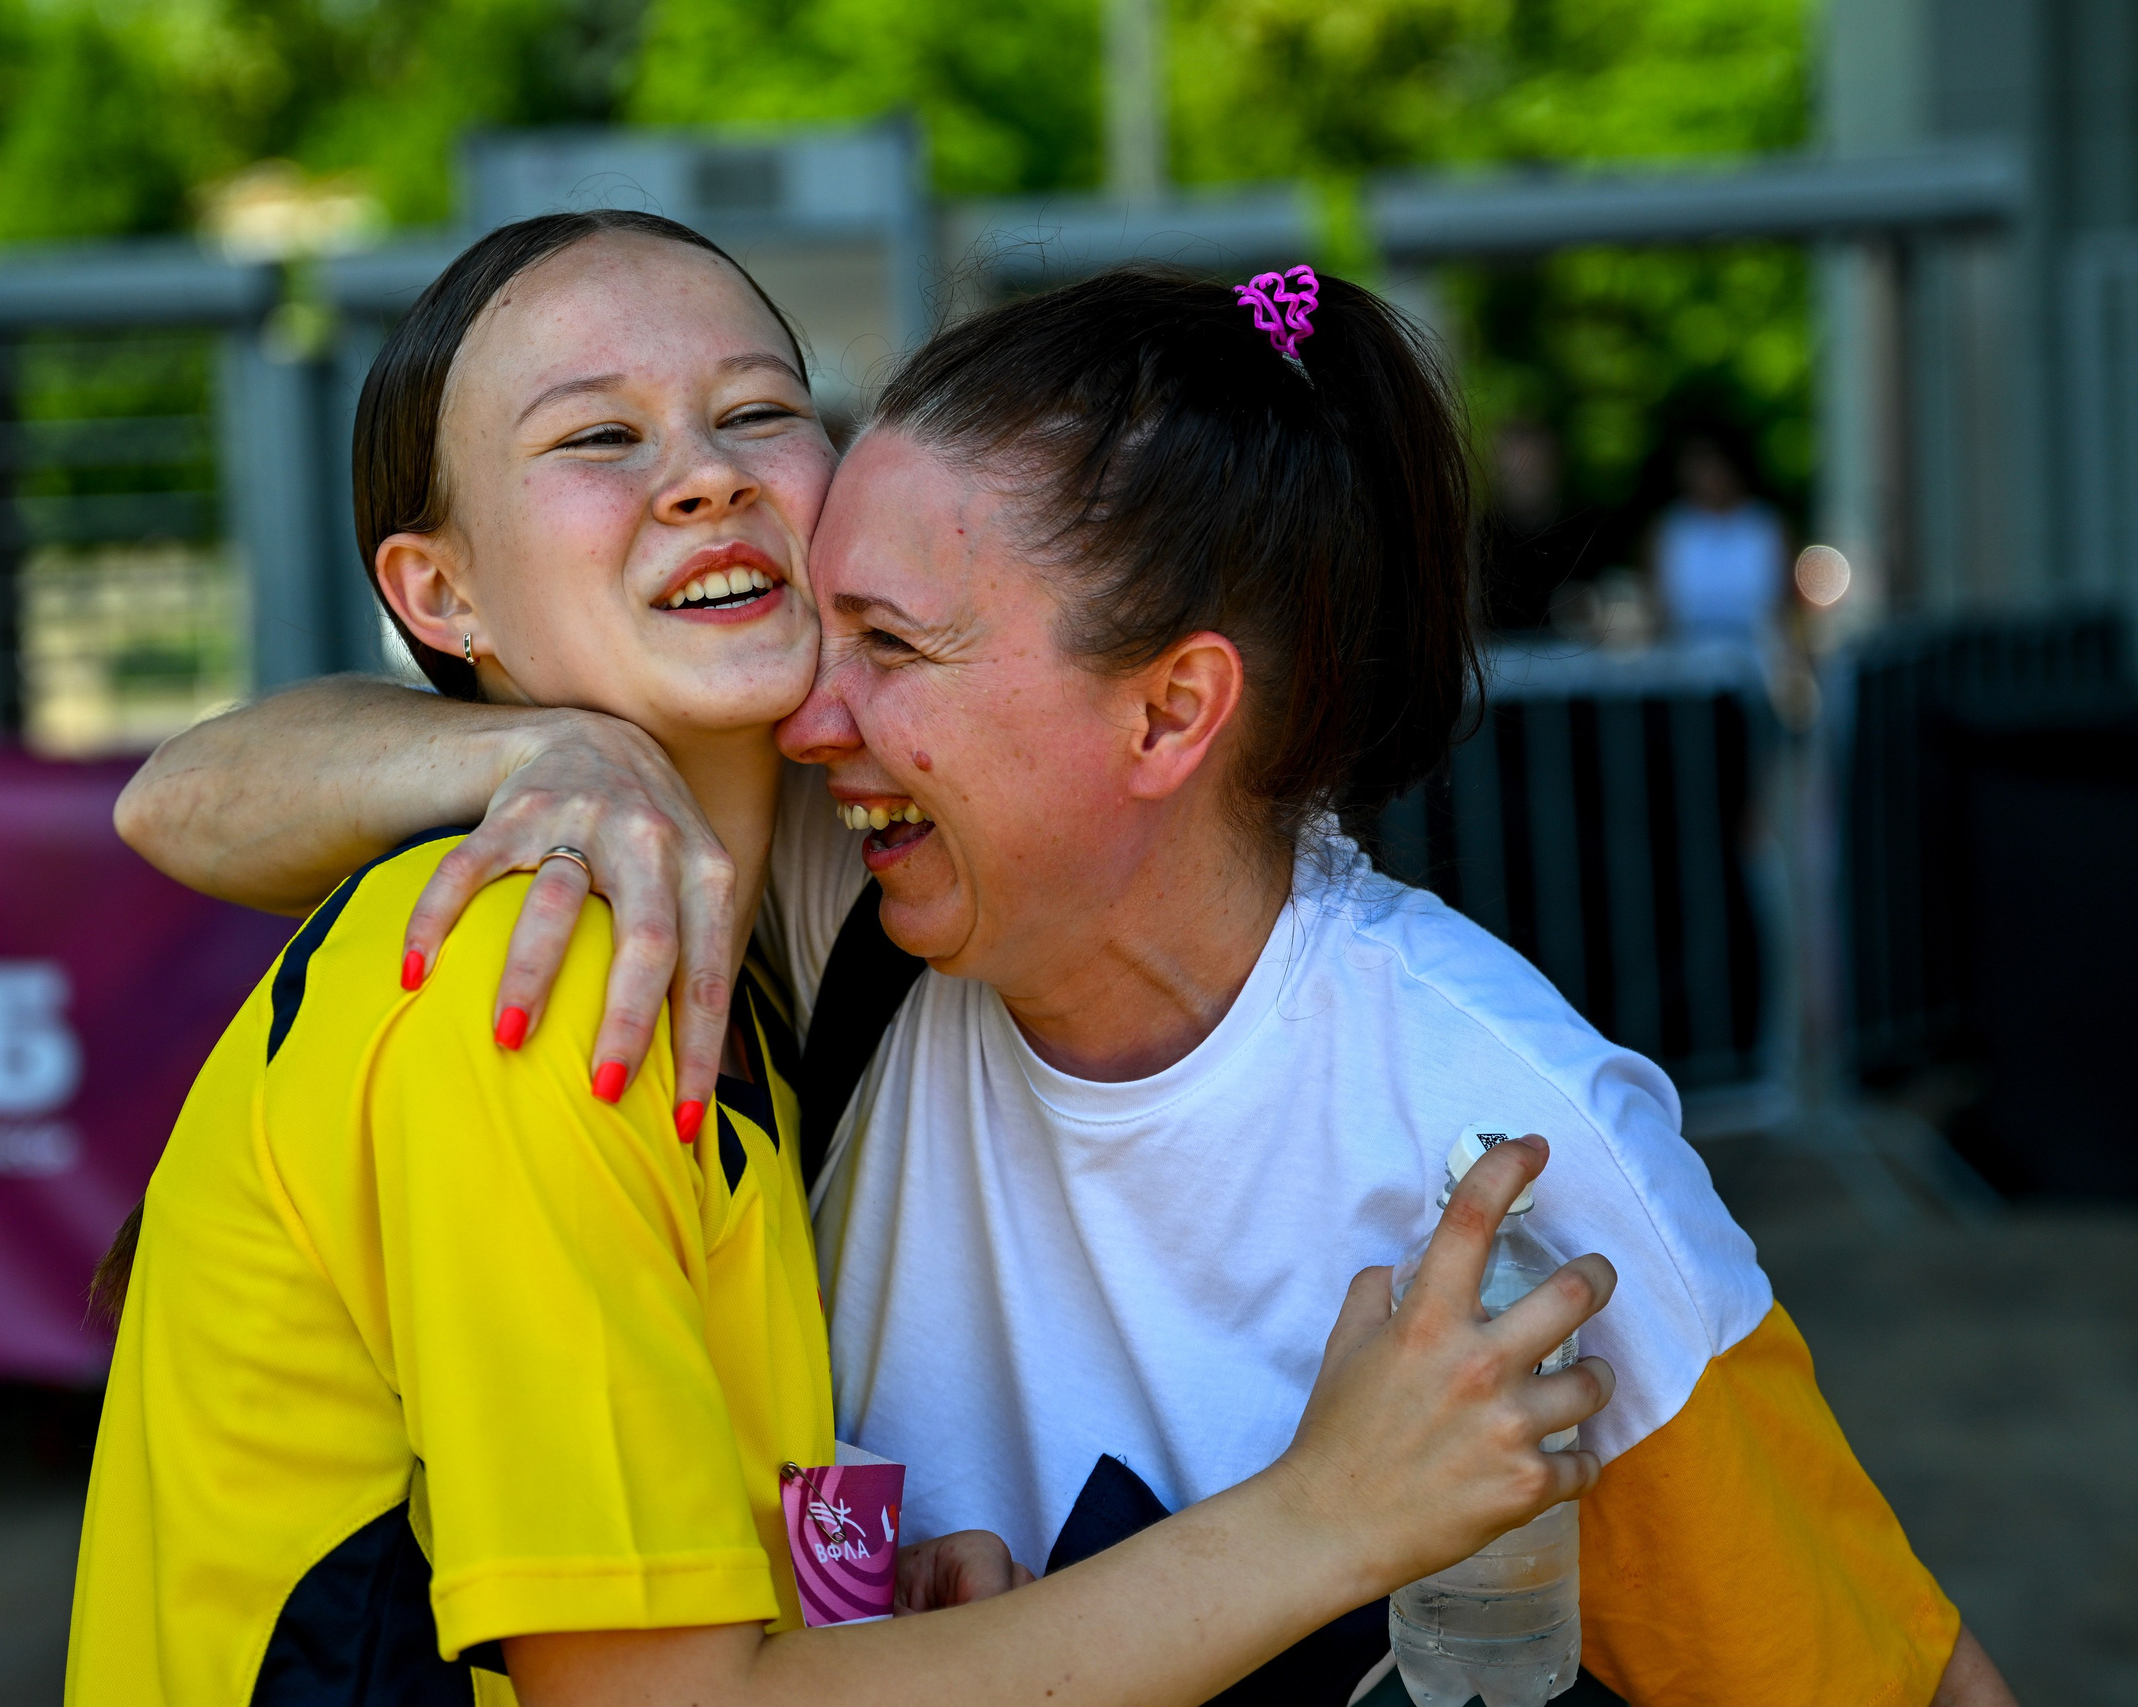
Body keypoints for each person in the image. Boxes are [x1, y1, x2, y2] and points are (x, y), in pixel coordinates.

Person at [118, 262, 2018, 1705]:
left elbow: (1886, 1674)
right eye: (600, 433)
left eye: (887, 639)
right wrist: (524, 754)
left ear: (1173, 706)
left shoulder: (1493, 1131)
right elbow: (185, 793)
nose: (820, 705)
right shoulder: (766, 892)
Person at [1648, 432, 1791, 644]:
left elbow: (1785, 603)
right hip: (1687, 650)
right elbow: (1658, 605)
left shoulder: (1765, 525)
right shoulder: (1672, 527)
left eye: (1712, 465)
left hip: (1758, 650)